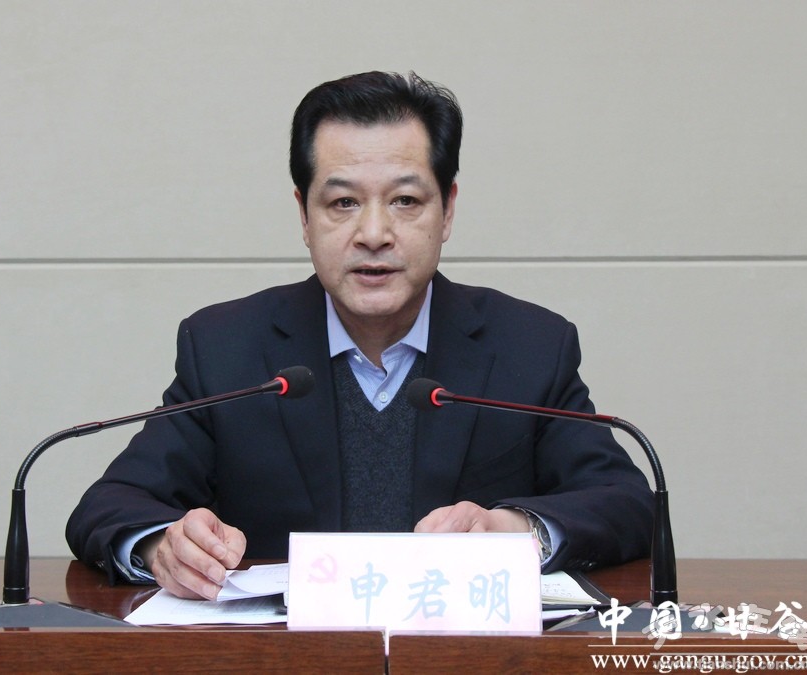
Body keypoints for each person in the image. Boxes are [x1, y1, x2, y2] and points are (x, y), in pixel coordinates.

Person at [66, 71, 653, 601]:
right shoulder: (227, 347)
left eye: (405, 201)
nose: (374, 233)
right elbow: (110, 504)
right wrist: (162, 547)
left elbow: (625, 503)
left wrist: (515, 530)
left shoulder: (528, 345)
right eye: (343, 202)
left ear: (447, 210)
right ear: (304, 215)